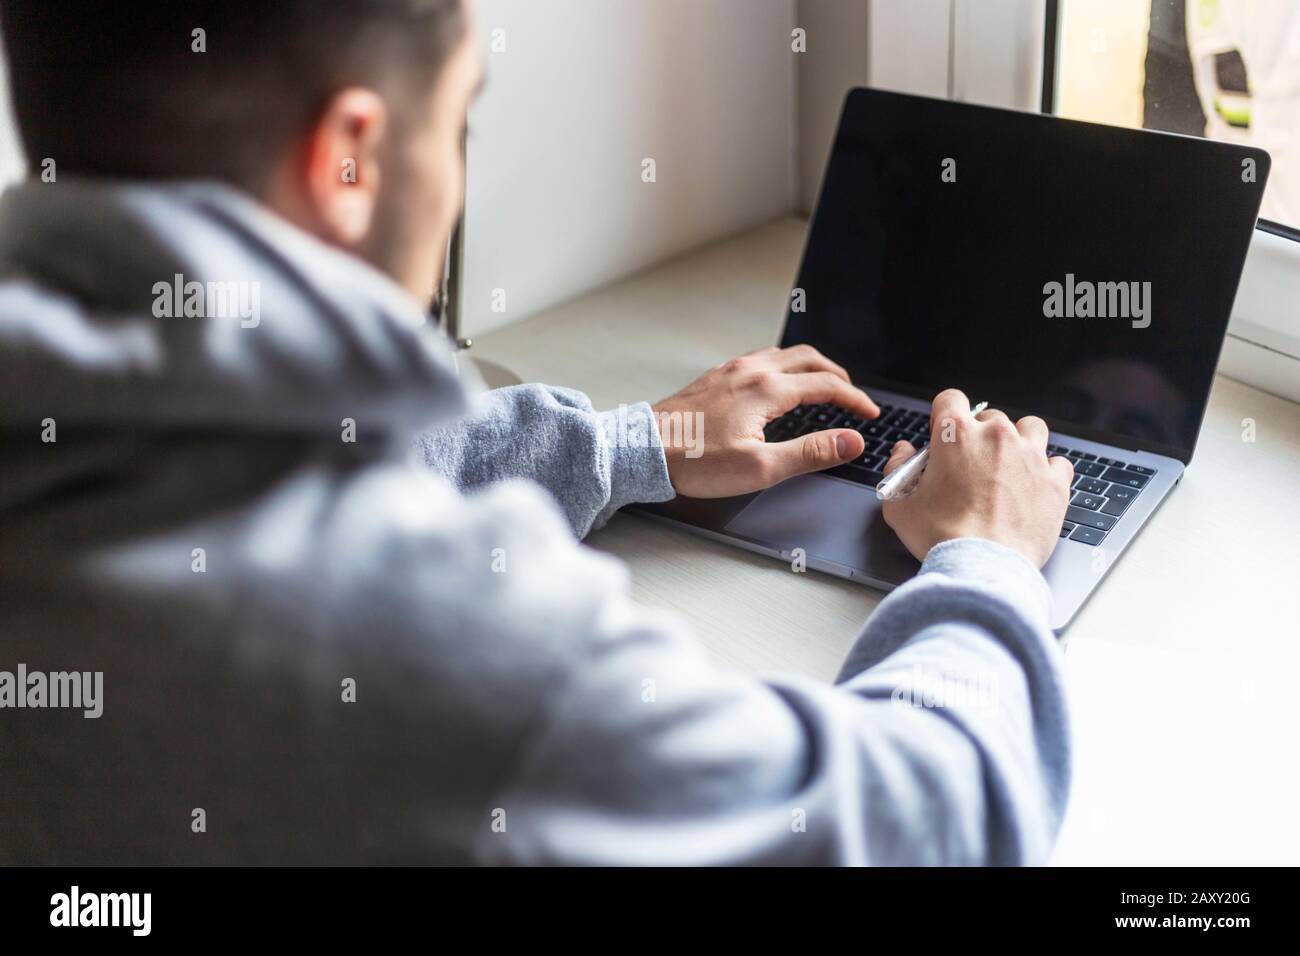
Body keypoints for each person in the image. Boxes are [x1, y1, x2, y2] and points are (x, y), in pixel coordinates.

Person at [0, 0, 1072, 865]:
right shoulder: (447, 661)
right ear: (349, 161)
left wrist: (626, 446)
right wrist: (985, 554)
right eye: (457, 120)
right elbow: (938, 820)